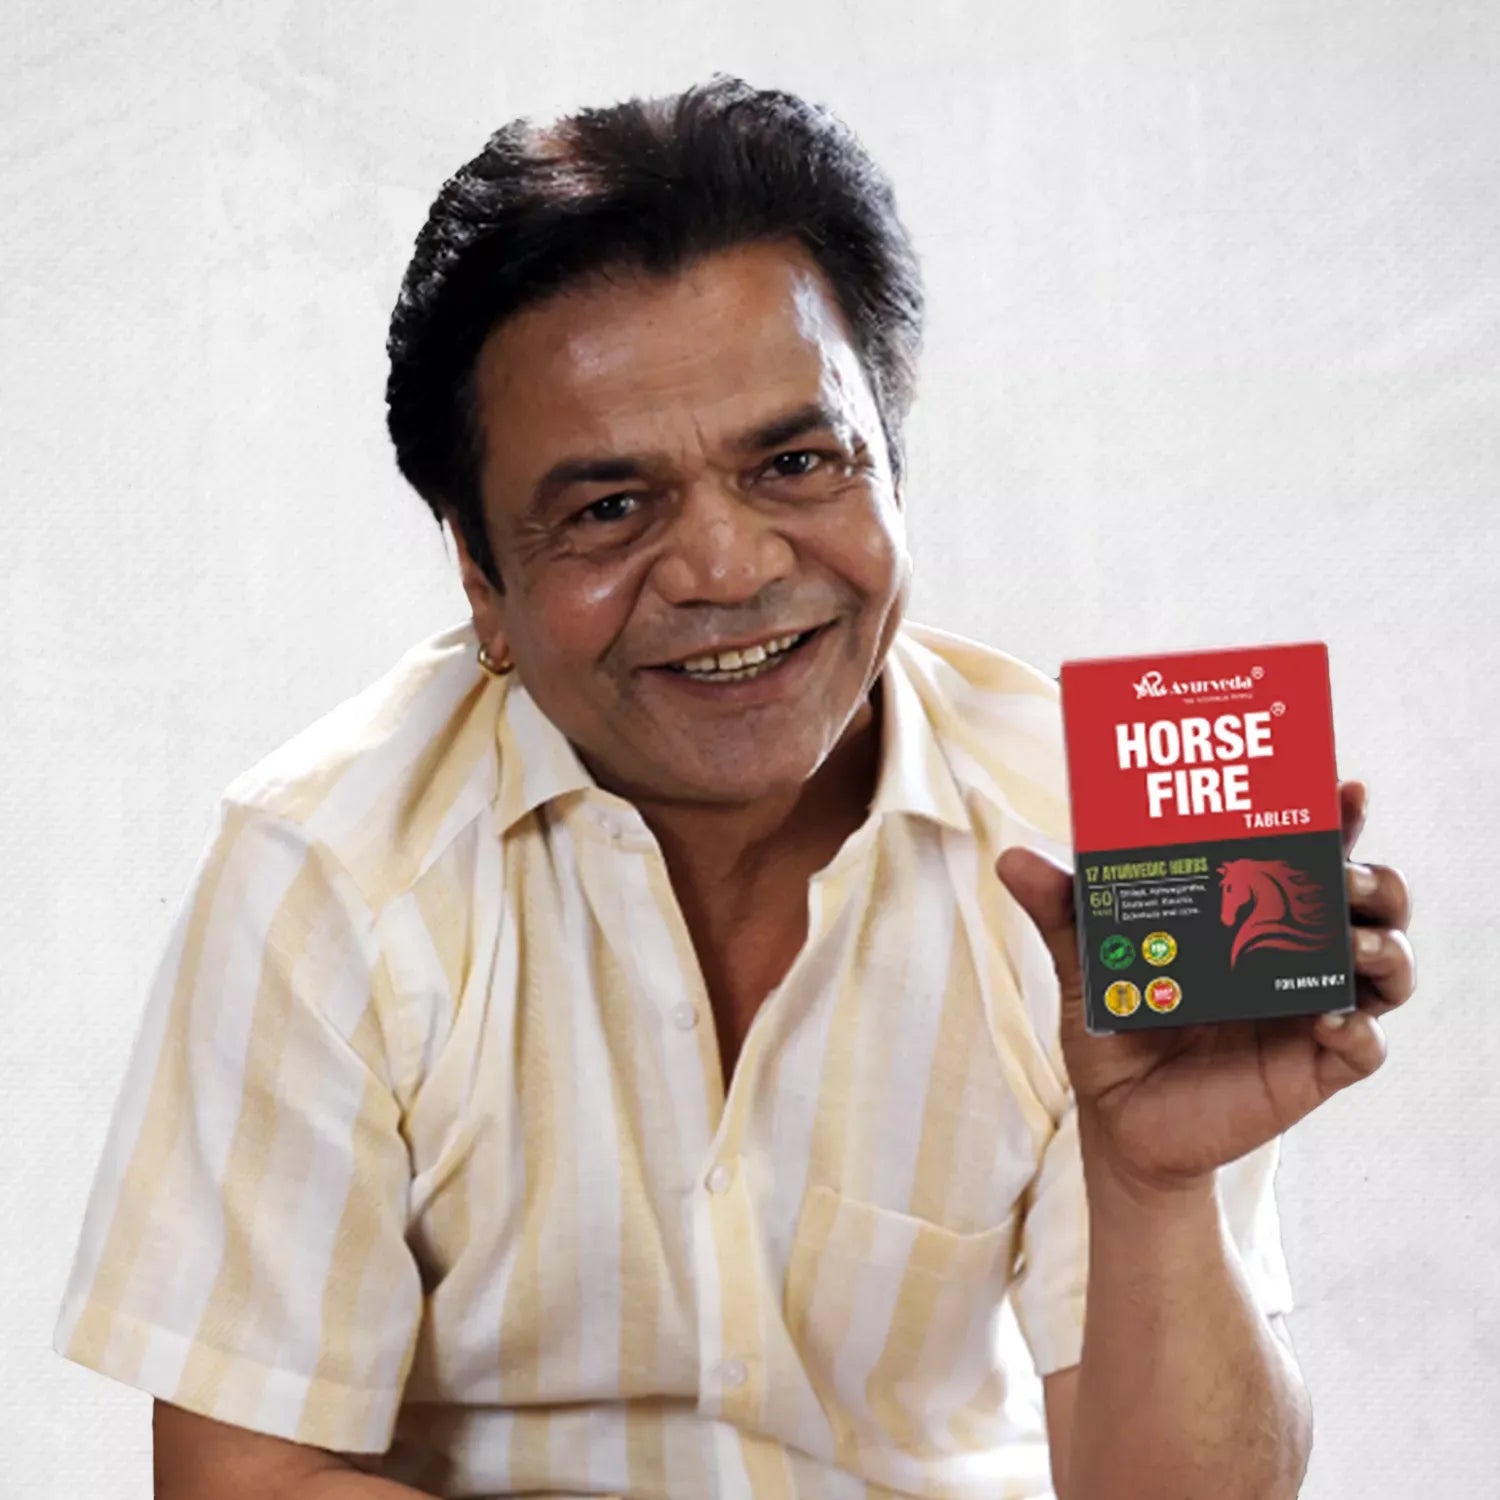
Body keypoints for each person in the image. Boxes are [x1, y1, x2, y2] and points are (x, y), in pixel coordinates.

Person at [53, 74, 1416, 1500]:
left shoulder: (1099, 852)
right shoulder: (323, 867)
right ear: (480, 578)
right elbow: (245, 1483)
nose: (729, 567)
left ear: (894, 471)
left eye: (797, 462)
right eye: (610, 507)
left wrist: (1155, 1186)